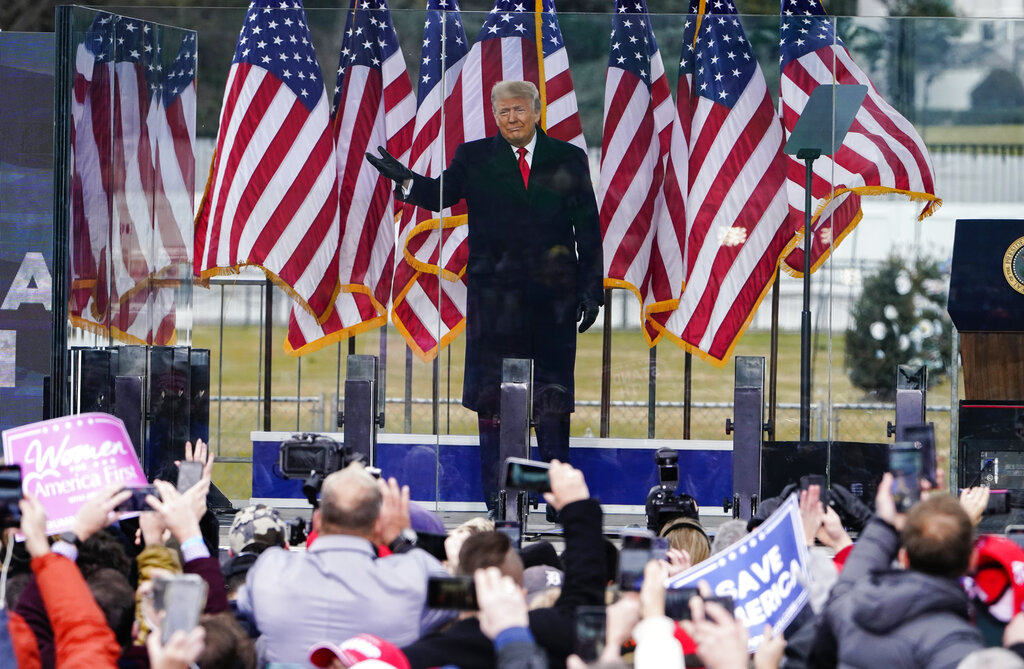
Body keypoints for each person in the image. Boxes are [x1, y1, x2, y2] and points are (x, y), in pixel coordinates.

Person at [366, 80, 604, 512]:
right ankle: (501, 497)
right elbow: (442, 194)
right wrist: (407, 184)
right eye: (503, 112)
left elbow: (587, 228)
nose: (511, 119)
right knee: (492, 400)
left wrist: (591, 290)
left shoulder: (568, 158)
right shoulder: (474, 156)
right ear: (494, 115)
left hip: (554, 301)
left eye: (519, 110)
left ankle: (557, 499)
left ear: (536, 112)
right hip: (494, 303)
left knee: (552, 400)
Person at [234, 463, 452, 665]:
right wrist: (402, 540)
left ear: (317, 521)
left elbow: (240, 613)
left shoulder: (271, 569)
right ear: (379, 526)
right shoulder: (413, 579)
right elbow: (459, 598)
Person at [809, 473, 984, 668]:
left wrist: (886, 523)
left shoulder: (847, 609)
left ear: (904, 558)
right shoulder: (956, 645)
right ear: (973, 560)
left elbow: (848, 584)